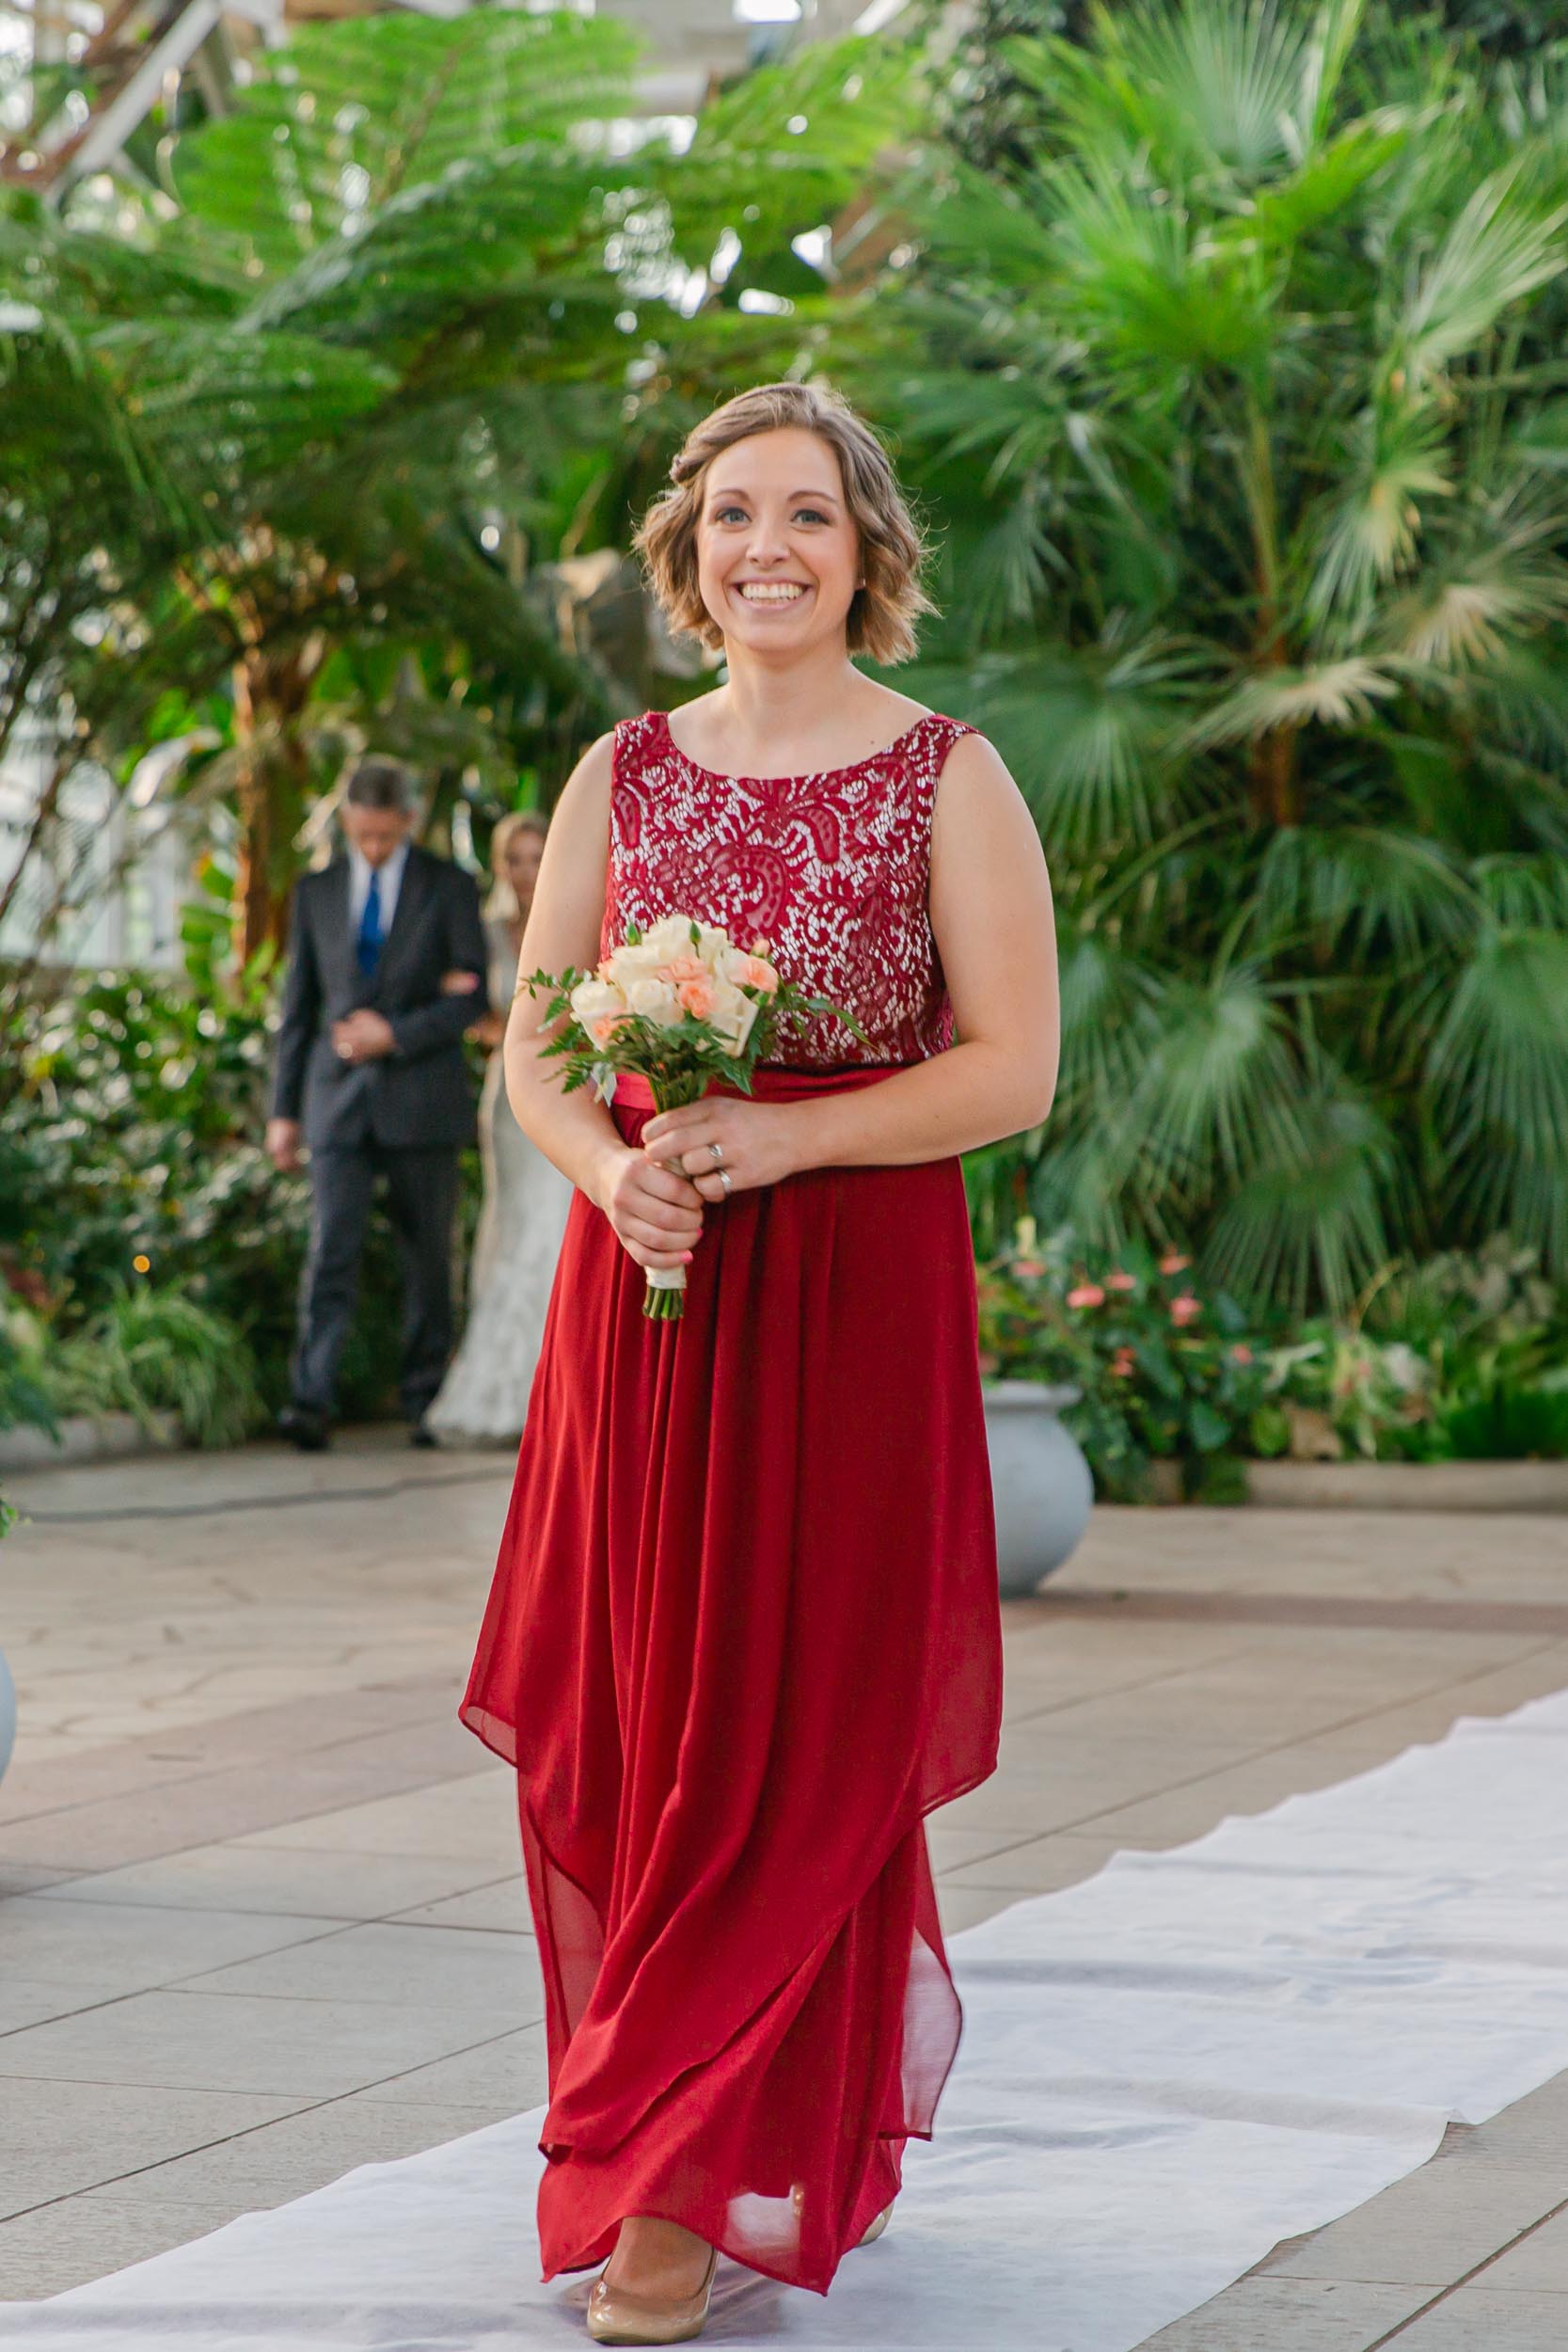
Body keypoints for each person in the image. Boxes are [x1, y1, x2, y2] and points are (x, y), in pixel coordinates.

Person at [459, 381, 1059, 2344]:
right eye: (732, 515)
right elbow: (539, 1052)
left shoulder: (946, 772)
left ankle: (667, 2176)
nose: (766, 548)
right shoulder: (617, 774)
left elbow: (1010, 1065)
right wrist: (615, 1165)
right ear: (684, 548)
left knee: (793, 1734)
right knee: (649, 1726)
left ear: (865, 551)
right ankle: (710, 2129)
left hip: (847, 1299)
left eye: (806, 514)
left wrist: (789, 1135)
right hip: (647, 1303)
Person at [265, 755, 489, 1451]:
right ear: (348, 822)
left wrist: (396, 1033)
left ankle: (424, 1400)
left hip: (422, 1102)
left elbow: (473, 997)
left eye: (385, 838)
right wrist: (283, 1112)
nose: (372, 848)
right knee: (331, 1250)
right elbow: (298, 1008)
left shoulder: (449, 887)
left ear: (408, 823)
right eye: (362, 835)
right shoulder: (316, 891)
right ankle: (311, 1401)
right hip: (335, 1104)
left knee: (427, 1260)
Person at [426, 813, 576, 1444]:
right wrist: (502, 1034)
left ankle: (561, 1391)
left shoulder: (580, 920)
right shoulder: (485, 932)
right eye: (515, 858)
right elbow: (464, 1007)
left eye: (538, 856)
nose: (526, 870)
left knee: (556, 1227)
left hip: (571, 1088)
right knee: (511, 1225)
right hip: (508, 1097)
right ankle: (501, 1389)